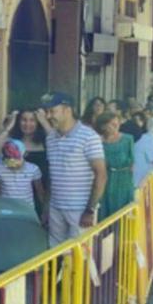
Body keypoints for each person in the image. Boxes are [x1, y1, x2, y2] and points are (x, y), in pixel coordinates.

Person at [40, 92, 107, 245]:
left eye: (53, 111)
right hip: (56, 208)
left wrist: (90, 210)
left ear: (67, 110)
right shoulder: (50, 138)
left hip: (80, 210)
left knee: (81, 257)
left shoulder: (89, 136)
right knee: (56, 253)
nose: (49, 116)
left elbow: (101, 175)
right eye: (47, 112)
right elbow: (53, 175)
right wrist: (46, 208)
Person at [94, 113, 135, 216]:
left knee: (122, 210)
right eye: (112, 124)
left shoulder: (127, 139)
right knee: (103, 208)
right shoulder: (97, 140)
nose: (116, 126)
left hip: (123, 178)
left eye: (117, 124)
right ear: (102, 126)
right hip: (104, 177)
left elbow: (132, 161)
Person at [0, 139, 45, 210]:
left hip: (27, 210)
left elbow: (40, 192)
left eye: (15, 157)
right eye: (9, 157)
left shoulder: (33, 169)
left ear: (24, 154)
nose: (12, 160)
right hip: (6, 210)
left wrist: (44, 211)